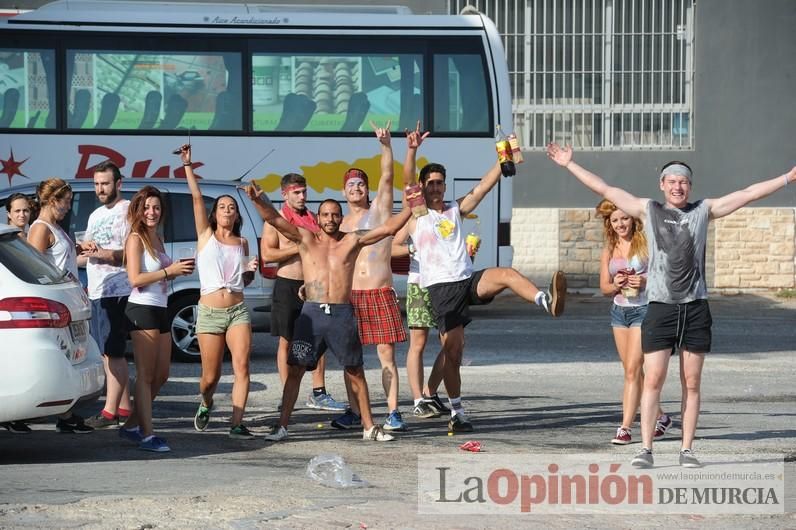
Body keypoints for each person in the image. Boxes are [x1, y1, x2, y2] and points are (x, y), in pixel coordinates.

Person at [547, 142, 796, 468]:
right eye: (672, 181)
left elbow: (748, 193)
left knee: (692, 383)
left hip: (695, 307)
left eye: (684, 182)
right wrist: (569, 164)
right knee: (652, 380)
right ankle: (646, 449)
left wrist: (788, 178)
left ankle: (687, 450)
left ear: (689, 186)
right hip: (660, 308)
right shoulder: (647, 209)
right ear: (662, 185)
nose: (678, 186)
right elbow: (605, 188)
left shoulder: (703, 210)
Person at [405, 128, 567, 434]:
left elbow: (481, 188)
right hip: (441, 289)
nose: (437, 188)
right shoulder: (418, 215)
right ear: (423, 189)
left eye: (440, 183)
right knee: (454, 354)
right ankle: (457, 412)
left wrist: (502, 157)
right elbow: (406, 182)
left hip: (467, 280)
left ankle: (546, 301)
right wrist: (411, 150)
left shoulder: (455, 208)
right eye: (431, 184)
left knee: (505, 274)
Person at [245, 185, 412, 442]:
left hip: (342, 314)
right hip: (312, 315)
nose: (330, 219)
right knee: (296, 370)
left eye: (335, 215)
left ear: (340, 217)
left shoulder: (352, 240)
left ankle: (369, 427)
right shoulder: (306, 238)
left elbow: (388, 229)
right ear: (318, 217)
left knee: (355, 370)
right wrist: (258, 198)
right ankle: (281, 426)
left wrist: (413, 206)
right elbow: (273, 219)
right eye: (325, 215)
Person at [332, 120, 408, 431]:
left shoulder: (379, 211)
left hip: (379, 292)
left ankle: (393, 412)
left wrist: (386, 145)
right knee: (350, 359)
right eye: (351, 185)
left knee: (386, 356)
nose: (357, 188)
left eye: (361, 184)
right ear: (343, 191)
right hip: (350, 296)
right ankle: (354, 410)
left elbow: (388, 177)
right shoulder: (339, 224)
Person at [180, 145, 258, 439]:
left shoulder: (243, 242)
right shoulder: (206, 236)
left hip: (237, 309)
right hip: (210, 312)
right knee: (209, 378)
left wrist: (250, 271)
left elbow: (245, 280)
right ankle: (206, 402)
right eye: (223, 206)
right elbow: (197, 197)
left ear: (237, 215)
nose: (227, 210)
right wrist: (188, 165)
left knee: (242, 366)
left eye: (232, 207)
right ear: (215, 213)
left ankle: (236, 423)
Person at [260, 173, 346, 413]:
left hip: (313, 285)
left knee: (319, 338)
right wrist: (297, 246)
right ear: (284, 194)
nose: (302, 196)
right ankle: (288, 394)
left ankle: (319, 392)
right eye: (296, 193)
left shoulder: (313, 219)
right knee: (287, 341)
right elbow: (267, 255)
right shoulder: (275, 221)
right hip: (287, 283)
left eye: (304, 192)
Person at [119, 186, 194, 452]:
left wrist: (177, 272)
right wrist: (168, 271)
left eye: (157, 208)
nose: (152, 212)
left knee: (162, 374)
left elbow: (160, 272)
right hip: (141, 309)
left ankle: (130, 425)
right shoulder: (136, 238)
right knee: (145, 375)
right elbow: (135, 279)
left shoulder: (157, 237)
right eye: (147, 207)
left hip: (161, 308)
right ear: (138, 210)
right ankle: (147, 434)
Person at [596, 199, 669, 445]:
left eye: (624, 218)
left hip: (644, 310)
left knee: (631, 370)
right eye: (614, 220)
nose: (620, 224)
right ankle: (661, 416)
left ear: (633, 220)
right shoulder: (609, 250)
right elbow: (604, 287)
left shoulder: (648, 244)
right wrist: (614, 285)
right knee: (632, 370)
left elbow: (665, 276)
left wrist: (645, 282)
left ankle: (625, 428)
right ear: (609, 223)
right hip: (619, 312)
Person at [27, 178, 94, 434]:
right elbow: (34, 265)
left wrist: (78, 248)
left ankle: (65, 412)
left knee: (73, 355)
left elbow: (57, 256)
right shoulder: (41, 228)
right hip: (55, 304)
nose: (68, 208)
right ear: (52, 201)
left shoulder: (54, 226)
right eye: (65, 202)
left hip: (69, 302)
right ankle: (62, 413)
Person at [82, 161, 134, 430]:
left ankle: (109, 411)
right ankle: (125, 407)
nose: (100, 189)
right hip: (98, 289)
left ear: (118, 184)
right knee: (107, 353)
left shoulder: (128, 211)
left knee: (114, 353)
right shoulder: (94, 215)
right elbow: (85, 255)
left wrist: (100, 253)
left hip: (119, 290)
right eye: (97, 184)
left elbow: (131, 254)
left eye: (105, 183)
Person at [391, 223, 449, 420]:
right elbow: (393, 247)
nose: (434, 190)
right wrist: (413, 247)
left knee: (453, 343)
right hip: (420, 284)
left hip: (447, 283)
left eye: (439, 188)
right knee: (418, 343)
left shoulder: (448, 217)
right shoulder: (415, 219)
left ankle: (430, 392)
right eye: (429, 189)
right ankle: (418, 401)